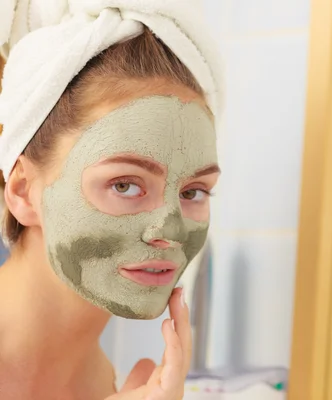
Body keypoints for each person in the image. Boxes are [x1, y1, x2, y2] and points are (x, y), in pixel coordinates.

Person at [0, 1, 223, 398]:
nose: (169, 229)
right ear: (22, 191)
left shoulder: (114, 384)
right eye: (125, 185)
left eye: (193, 192)